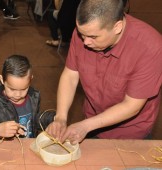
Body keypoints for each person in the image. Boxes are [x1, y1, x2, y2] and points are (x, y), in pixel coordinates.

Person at [46, 0, 162, 144]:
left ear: (117, 27)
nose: (85, 42)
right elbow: (70, 75)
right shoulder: (85, 32)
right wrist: (61, 117)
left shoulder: (149, 47)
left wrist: (85, 126)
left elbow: (131, 105)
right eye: (82, 35)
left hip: (130, 133)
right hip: (91, 120)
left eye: (93, 37)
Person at [0, 55, 55, 138]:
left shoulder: (33, 97)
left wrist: (52, 118)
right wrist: (0, 131)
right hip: (8, 148)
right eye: (12, 89)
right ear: (2, 79)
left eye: (23, 89)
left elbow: (35, 120)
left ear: (30, 80)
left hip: (29, 145)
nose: (18, 95)